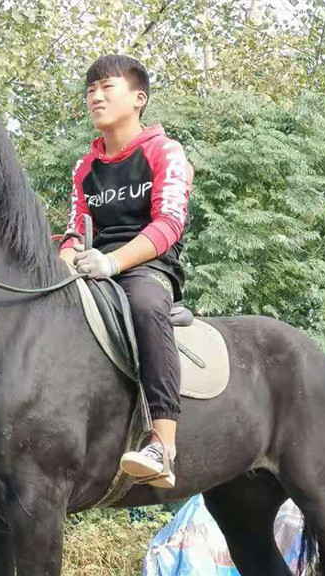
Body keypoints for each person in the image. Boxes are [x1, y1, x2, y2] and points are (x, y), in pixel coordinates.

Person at [59, 54, 194, 490]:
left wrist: (113, 262)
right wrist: (62, 267)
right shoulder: (85, 167)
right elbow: (73, 232)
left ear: (138, 98)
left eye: (106, 88)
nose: (95, 97)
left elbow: (169, 224)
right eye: (90, 90)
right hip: (92, 267)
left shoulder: (165, 151)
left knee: (145, 305)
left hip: (148, 267)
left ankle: (162, 442)